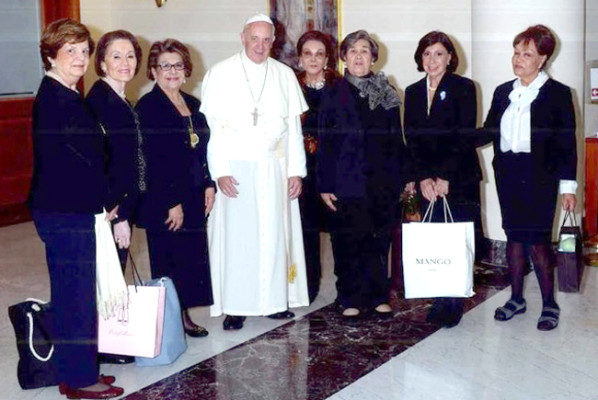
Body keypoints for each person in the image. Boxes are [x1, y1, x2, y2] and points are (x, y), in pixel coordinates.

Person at [29, 18, 124, 399]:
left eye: (84, 51)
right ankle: (80, 380)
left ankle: (79, 370)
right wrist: (106, 200)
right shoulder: (56, 99)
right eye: (70, 51)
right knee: (75, 295)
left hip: (70, 208)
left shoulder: (66, 94)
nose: (80, 58)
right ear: (51, 56)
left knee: (78, 292)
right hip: (64, 210)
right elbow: (78, 161)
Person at [200, 13, 309, 331]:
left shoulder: (284, 75)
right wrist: (219, 171)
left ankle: (274, 302)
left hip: (275, 168)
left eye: (266, 40)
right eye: (254, 38)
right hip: (235, 170)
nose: (260, 46)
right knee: (238, 241)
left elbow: (293, 131)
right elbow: (213, 131)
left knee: (275, 236)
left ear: (273, 41)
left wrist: (296, 171)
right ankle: (235, 306)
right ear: (243, 38)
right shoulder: (220, 73)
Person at [484, 25, 577, 331]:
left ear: (543, 58)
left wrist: (568, 187)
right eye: (516, 52)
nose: (518, 59)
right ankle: (516, 299)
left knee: (538, 242)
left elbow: (566, 145)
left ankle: (549, 304)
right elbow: (487, 131)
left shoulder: (558, 94)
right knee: (513, 238)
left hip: (540, 178)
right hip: (508, 174)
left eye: (526, 54)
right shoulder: (503, 92)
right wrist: (451, 138)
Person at [317, 30, 404, 319]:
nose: (358, 56)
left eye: (364, 50)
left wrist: (400, 180)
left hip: (381, 181)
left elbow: (395, 138)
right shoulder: (332, 92)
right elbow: (325, 142)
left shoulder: (387, 91)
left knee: (378, 240)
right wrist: (325, 183)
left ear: (373, 58)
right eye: (352, 50)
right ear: (344, 57)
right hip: (345, 180)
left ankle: (378, 296)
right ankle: (349, 297)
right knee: (348, 241)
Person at [135, 39, 214, 338]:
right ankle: (171, 320)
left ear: (186, 69)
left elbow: (203, 150)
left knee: (190, 257)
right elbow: (152, 160)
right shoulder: (148, 107)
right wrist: (171, 202)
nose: (172, 71)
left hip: (193, 193)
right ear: (153, 71)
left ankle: (183, 314)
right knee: (168, 258)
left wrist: (208, 184)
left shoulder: (193, 104)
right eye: (165, 66)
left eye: (178, 65)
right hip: (165, 198)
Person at [404, 31, 480, 328]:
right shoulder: (412, 91)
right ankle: (439, 297)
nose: (432, 60)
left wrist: (445, 176)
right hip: (426, 180)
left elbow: (464, 135)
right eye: (426, 53)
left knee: (455, 240)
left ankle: (454, 300)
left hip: (457, 176)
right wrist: (423, 177)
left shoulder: (464, 87)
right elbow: (411, 138)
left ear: (450, 58)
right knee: (434, 240)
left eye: (438, 53)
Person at [86, 29, 143, 365]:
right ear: (102, 62)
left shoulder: (120, 98)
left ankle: (110, 341)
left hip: (121, 203)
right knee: (105, 274)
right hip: (109, 208)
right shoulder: (99, 101)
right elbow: (99, 161)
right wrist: (118, 213)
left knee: (113, 270)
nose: (125, 62)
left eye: (130, 56)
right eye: (116, 56)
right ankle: (103, 346)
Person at [295, 30, 340, 303]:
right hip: (301, 169)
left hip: (333, 168)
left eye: (319, 54)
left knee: (339, 229)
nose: (313, 59)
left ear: (327, 59)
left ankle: (345, 290)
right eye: (308, 54)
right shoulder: (290, 85)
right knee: (305, 231)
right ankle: (307, 288)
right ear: (300, 58)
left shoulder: (339, 86)